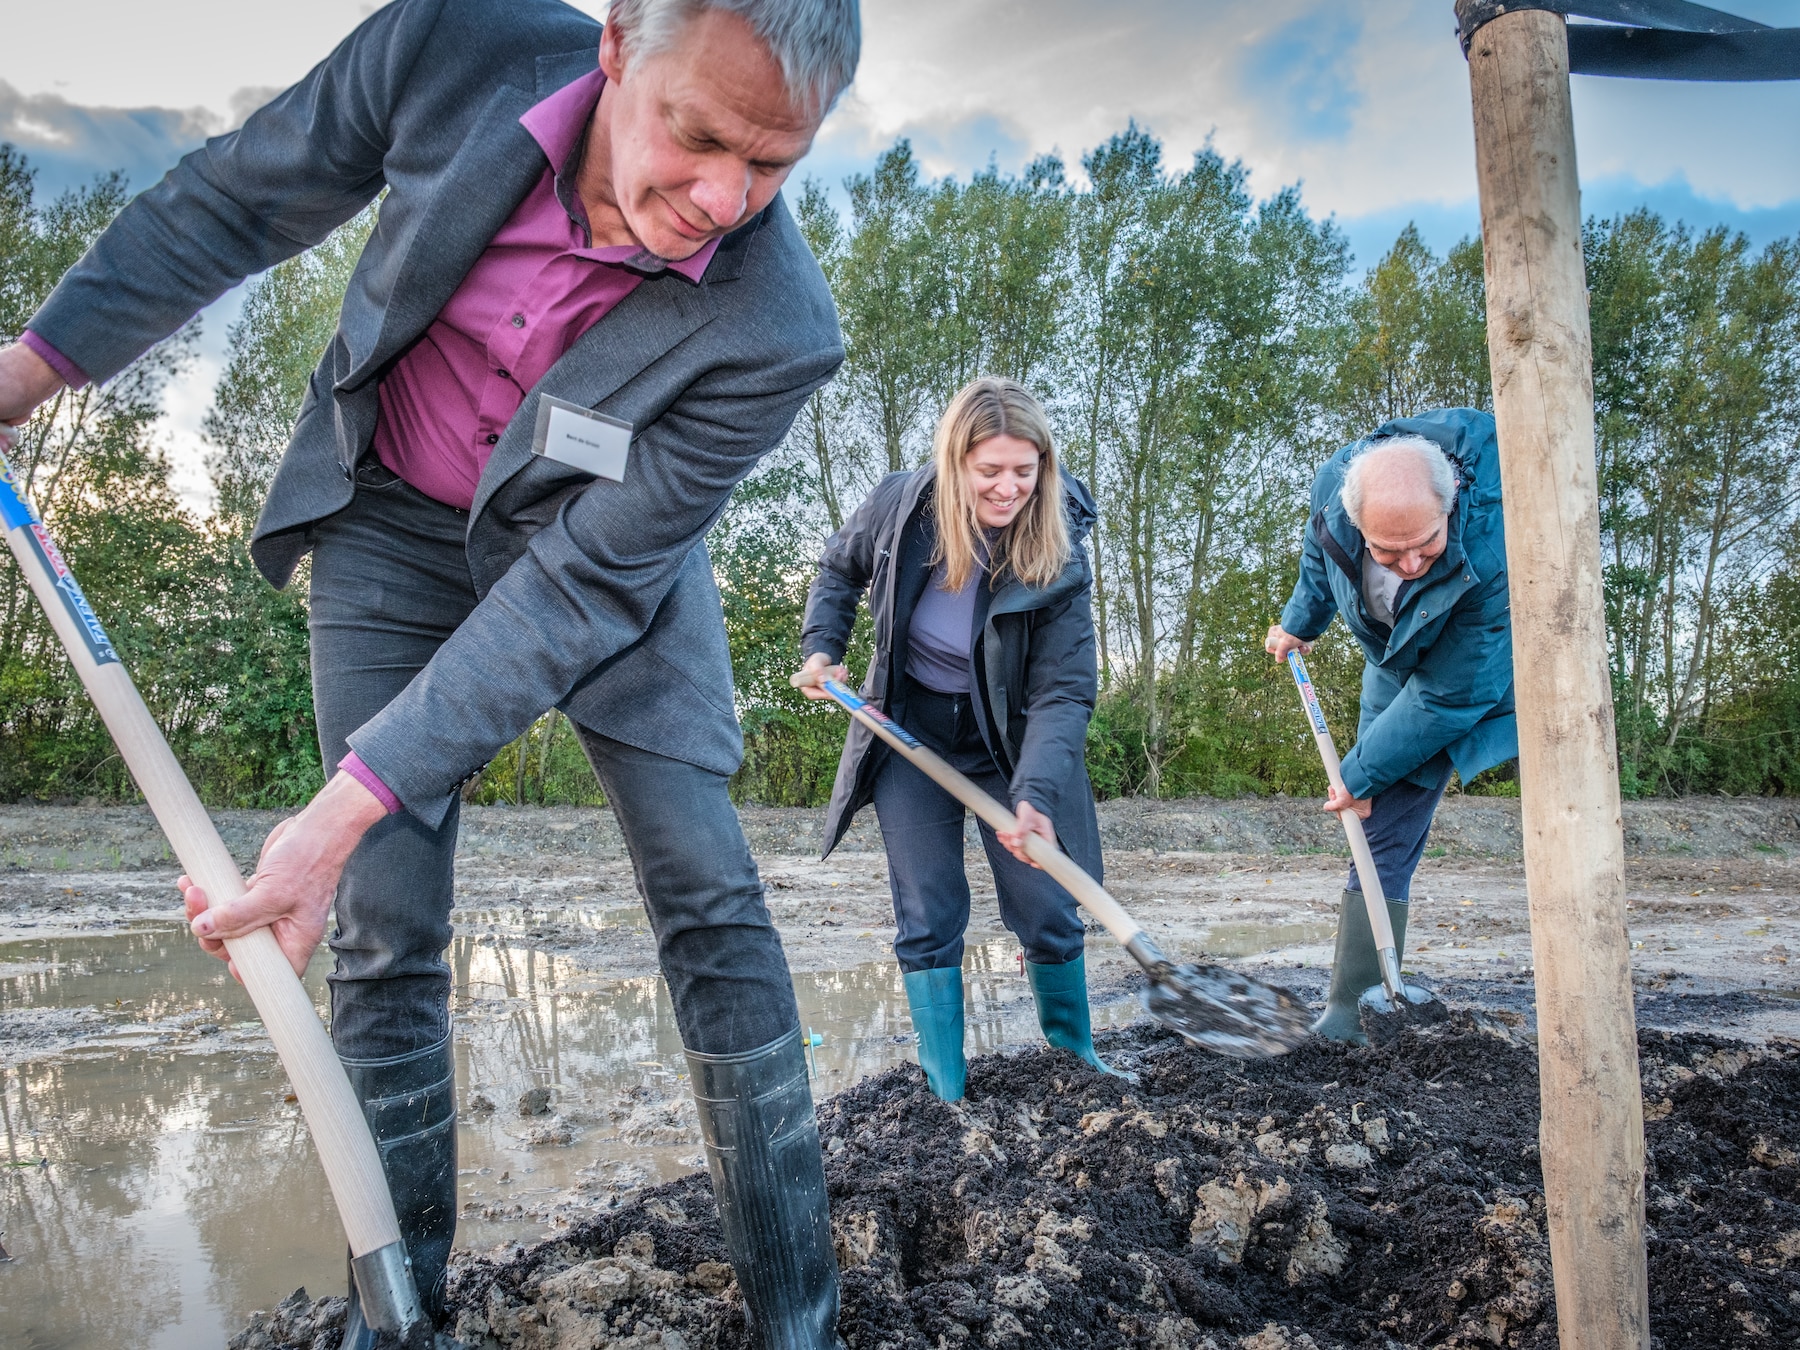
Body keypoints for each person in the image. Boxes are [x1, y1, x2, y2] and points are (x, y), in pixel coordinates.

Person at [0, 1, 859, 1344]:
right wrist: (27, 374)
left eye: (772, 167)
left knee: (709, 889)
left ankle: (801, 1320)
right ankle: (402, 1318)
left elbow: (578, 588)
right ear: (621, 46)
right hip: (391, 518)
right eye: (697, 139)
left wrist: (333, 814)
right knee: (384, 929)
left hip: (599, 567)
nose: (722, 199)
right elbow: (234, 201)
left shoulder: (778, 329)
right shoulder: (450, 48)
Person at [795, 376, 1120, 1102]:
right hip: (909, 732)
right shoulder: (898, 508)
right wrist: (822, 647)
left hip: (1010, 742)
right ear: (954, 463)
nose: (1009, 489)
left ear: (1044, 467)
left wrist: (1035, 794)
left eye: (1024, 471)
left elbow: (1063, 690)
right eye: (990, 471)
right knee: (929, 908)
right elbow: (836, 568)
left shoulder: (1059, 549)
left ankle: (1075, 1063)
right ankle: (946, 1087)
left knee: (1046, 903)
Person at [1265, 408, 1517, 1044]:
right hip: (1393, 653)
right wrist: (1301, 622)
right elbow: (1321, 563)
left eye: (1426, 546)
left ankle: (1360, 1007)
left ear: (1451, 505)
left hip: (1472, 676)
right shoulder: (1336, 493)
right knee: (1369, 817)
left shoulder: (1493, 547)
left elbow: (1452, 695)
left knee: (1379, 795)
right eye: (1387, 549)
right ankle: (1355, 1007)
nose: (1408, 565)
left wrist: (1358, 771)